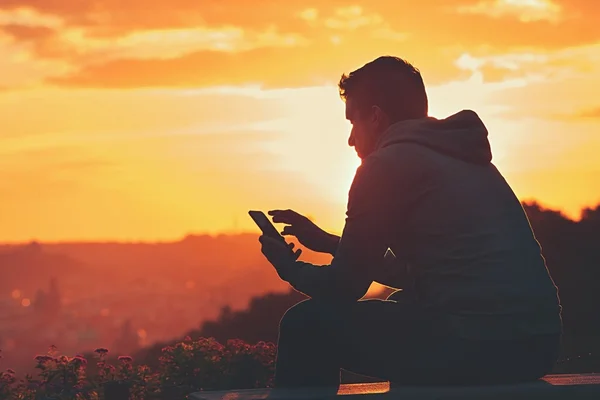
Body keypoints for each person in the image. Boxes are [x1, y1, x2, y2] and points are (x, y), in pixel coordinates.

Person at [258, 56, 562, 389]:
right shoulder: (463, 156)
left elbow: (343, 287)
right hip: (537, 344)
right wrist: (330, 242)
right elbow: (420, 272)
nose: (350, 139)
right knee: (403, 304)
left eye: (352, 122)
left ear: (375, 116)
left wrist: (289, 267)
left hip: (477, 344)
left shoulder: (384, 166)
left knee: (305, 326)